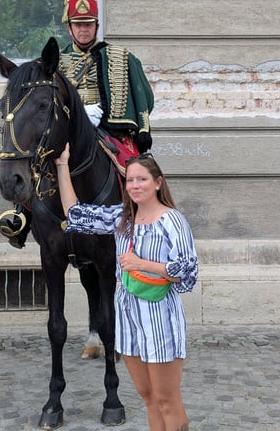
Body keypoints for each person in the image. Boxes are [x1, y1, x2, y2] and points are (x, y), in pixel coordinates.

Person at [0, 0, 155, 249]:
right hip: (66, 132)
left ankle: (144, 218)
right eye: (78, 24)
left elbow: (142, 96)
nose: (84, 29)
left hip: (109, 130)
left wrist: (114, 119)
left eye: (89, 23)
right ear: (68, 26)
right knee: (37, 163)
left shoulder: (120, 58)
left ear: (96, 25)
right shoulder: (53, 62)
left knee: (133, 168)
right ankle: (22, 215)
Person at [55, 143, 197, 431]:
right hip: (128, 312)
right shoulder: (123, 219)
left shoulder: (171, 220)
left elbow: (188, 271)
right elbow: (76, 213)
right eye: (130, 179)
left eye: (142, 179)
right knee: (147, 397)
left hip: (159, 314)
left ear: (158, 183)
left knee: (166, 398)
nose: (135, 185)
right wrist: (62, 165)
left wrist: (142, 264)